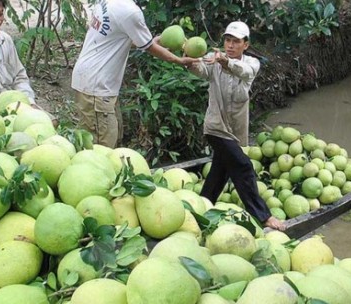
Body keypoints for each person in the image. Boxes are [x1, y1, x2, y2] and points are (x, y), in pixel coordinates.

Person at [187, 21, 286, 231]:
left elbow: (244, 72)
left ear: (245, 45)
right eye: (227, 40)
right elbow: (200, 70)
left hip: (235, 130)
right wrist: (187, 58)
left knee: (220, 170)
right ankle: (263, 215)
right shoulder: (213, 61)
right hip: (215, 126)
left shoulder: (251, 64)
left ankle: (203, 206)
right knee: (243, 166)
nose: (230, 45)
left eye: (236, 41)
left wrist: (225, 62)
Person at [71, 0, 196, 148]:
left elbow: (117, 38)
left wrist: (150, 41)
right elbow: (149, 48)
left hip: (91, 80)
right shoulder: (131, 12)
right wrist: (179, 60)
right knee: (101, 147)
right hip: (96, 86)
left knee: (112, 138)